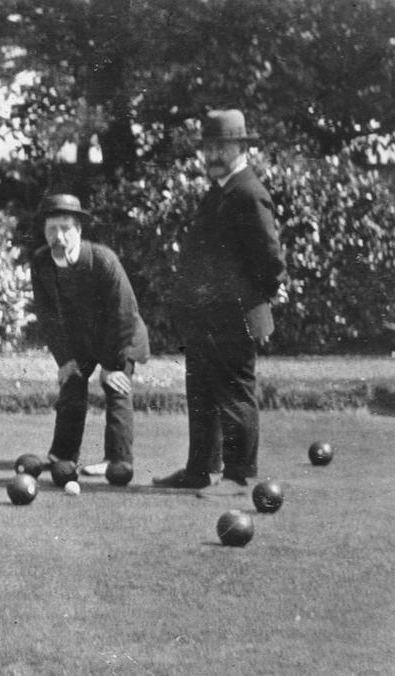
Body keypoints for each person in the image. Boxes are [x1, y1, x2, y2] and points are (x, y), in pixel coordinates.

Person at [153, 109, 287, 491]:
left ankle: (238, 474)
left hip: (233, 318)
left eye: (220, 146)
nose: (211, 154)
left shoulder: (248, 193)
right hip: (205, 318)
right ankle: (199, 470)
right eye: (207, 146)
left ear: (240, 147)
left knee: (234, 396)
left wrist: (246, 299)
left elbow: (271, 263)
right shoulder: (221, 190)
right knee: (202, 396)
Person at [28, 193, 150, 478]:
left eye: (65, 228)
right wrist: (65, 359)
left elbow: (124, 314)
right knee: (71, 383)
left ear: (79, 231)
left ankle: (119, 461)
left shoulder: (103, 260)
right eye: (51, 229)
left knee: (116, 386)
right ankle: (62, 455)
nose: (58, 236)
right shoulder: (41, 262)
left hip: (121, 336)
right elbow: (47, 317)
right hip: (80, 340)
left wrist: (110, 366)